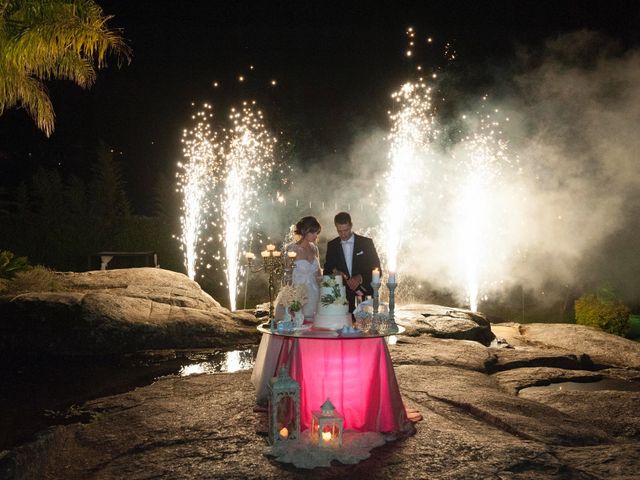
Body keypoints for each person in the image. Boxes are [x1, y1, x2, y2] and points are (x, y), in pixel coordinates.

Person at [323, 211, 381, 313]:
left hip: (365, 295)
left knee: (366, 327)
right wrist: (336, 273)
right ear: (336, 227)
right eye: (339, 231)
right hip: (342, 299)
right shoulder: (332, 245)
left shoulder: (366, 243)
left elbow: (378, 269)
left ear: (351, 225)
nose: (343, 234)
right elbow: (327, 271)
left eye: (346, 230)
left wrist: (360, 277)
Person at [285, 216, 322, 320]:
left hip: (315, 293)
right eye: (313, 232)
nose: (316, 236)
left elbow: (319, 275)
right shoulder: (291, 249)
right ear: (304, 231)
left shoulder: (314, 249)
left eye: (317, 233)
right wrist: (290, 299)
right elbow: (287, 276)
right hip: (298, 293)